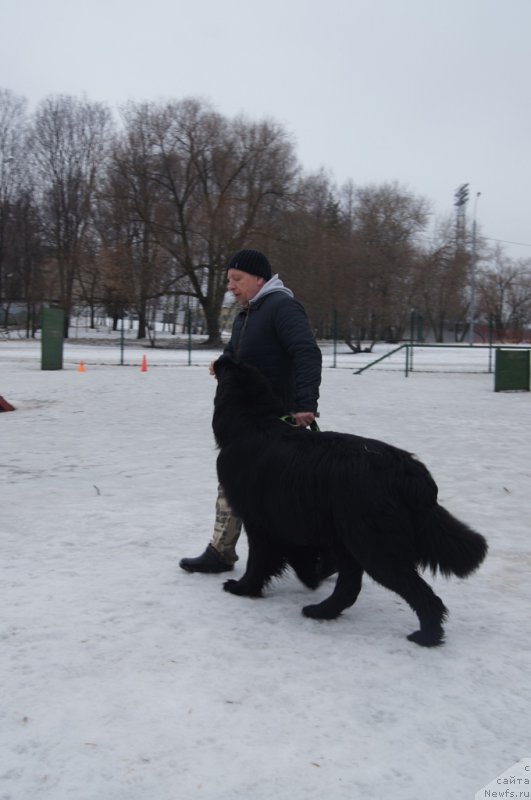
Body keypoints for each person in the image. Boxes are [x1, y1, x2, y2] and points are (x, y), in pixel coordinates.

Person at [179, 248, 323, 574]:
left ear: (259, 278)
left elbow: (306, 353)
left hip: (276, 421)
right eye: (229, 279)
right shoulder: (247, 313)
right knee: (236, 483)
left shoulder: (282, 308)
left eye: (237, 279)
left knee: (283, 495)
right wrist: (224, 363)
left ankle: (321, 554)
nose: (231, 286)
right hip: (246, 422)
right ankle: (221, 551)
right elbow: (236, 354)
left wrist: (305, 404)